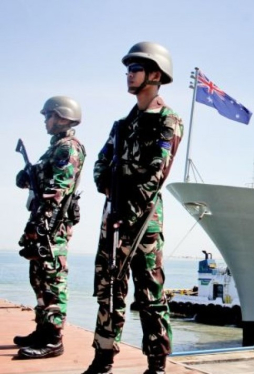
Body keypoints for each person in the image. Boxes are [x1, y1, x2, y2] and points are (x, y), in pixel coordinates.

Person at [83, 42, 184, 374]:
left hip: (143, 223)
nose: (129, 75)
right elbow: (100, 163)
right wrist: (109, 189)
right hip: (112, 219)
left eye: (135, 69)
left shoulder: (167, 121)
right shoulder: (121, 125)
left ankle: (156, 365)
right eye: (128, 70)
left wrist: (127, 211)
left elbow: (158, 171)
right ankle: (102, 358)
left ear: (155, 75)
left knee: (149, 294)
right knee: (109, 291)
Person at [13, 96, 85, 359]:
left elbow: (57, 190)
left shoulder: (68, 149)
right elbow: (33, 182)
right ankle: (43, 330)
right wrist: (28, 175)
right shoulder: (53, 149)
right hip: (42, 220)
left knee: (52, 280)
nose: (46, 121)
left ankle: (54, 339)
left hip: (51, 224)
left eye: (49, 116)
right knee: (39, 278)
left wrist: (38, 222)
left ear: (63, 116)